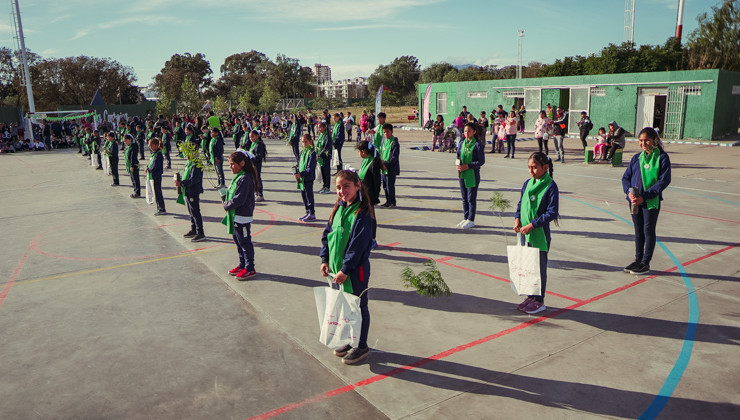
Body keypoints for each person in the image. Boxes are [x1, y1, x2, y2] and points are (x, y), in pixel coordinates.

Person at [319, 169, 375, 365]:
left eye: (346, 186)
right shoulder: (339, 208)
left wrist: (345, 269)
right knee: (345, 308)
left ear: (357, 186)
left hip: (354, 272)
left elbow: (357, 246)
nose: (342, 191)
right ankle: (351, 342)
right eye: (338, 187)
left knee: (358, 307)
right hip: (337, 271)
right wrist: (324, 259)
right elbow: (327, 235)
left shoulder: (362, 212)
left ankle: (361, 346)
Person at [513, 152, 560, 315]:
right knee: (528, 267)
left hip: (539, 235)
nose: (531, 171)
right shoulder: (527, 183)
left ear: (545, 167)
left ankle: (539, 300)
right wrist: (517, 218)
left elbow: (552, 212)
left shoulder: (550, 186)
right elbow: (521, 203)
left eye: (534, 167)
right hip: (525, 233)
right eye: (529, 168)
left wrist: (533, 224)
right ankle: (531, 296)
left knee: (538, 268)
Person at [621, 127, 671, 275]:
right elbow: (625, 178)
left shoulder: (662, 157)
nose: (643, 143)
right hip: (635, 201)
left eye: (646, 140)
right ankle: (637, 260)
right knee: (638, 232)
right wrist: (629, 192)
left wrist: (647, 195)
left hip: (650, 201)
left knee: (648, 230)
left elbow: (663, 181)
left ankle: (645, 262)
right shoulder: (636, 158)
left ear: (654, 140)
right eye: (641, 141)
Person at [223, 151, 259, 280]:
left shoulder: (245, 178)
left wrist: (227, 205)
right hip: (235, 215)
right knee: (238, 241)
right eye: (230, 164)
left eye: (232, 164)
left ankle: (250, 268)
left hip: (242, 215)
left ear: (242, 163)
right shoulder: (238, 176)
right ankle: (242, 263)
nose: (230, 167)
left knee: (245, 242)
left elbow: (239, 199)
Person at [456, 122, 485, 230]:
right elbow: (458, 155)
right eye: (465, 131)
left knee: (471, 198)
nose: (466, 133)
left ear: (474, 132)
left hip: (472, 174)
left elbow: (481, 161)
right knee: (464, 198)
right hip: (462, 173)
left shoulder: (477, 144)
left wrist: (468, 166)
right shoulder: (462, 143)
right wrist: (458, 164)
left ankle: (471, 219)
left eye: (469, 131)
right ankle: (466, 217)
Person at [176, 144, 206, 242]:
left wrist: (182, 183)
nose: (186, 155)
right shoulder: (189, 162)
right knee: (191, 211)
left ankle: (200, 232)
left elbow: (194, 179)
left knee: (195, 211)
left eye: (188, 153)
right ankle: (193, 229)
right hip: (188, 190)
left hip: (193, 190)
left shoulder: (196, 163)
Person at [295, 133, 317, 222]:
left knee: (309, 196)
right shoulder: (302, 152)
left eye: (306, 142)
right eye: (302, 142)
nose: (304, 144)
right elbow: (299, 163)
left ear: (310, 141)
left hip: (308, 177)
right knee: (303, 196)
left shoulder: (312, 152)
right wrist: (296, 171)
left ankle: (312, 213)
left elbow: (310, 167)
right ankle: (307, 211)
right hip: (301, 178)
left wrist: (302, 174)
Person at [379, 123, 400, 208]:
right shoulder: (384, 141)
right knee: (384, 186)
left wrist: (386, 165)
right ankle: (388, 201)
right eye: (384, 132)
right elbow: (382, 153)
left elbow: (394, 157)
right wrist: (381, 163)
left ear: (391, 131)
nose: (386, 134)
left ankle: (392, 202)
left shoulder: (394, 142)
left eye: (387, 132)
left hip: (390, 168)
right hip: (383, 168)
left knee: (390, 186)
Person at [145, 138, 167, 216]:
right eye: (150, 145)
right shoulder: (154, 153)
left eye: (152, 145)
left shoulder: (159, 154)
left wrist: (150, 170)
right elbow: (151, 163)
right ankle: (159, 208)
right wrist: (148, 167)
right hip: (153, 176)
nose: (150, 147)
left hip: (156, 176)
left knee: (158, 193)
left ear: (156, 145)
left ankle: (162, 208)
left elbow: (155, 166)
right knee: (156, 192)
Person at [245, 130, 267, 202]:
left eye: (253, 137)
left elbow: (259, 156)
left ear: (257, 136)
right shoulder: (253, 143)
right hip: (252, 164)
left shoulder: (259, 144)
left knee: (257, 179)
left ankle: (260, 194)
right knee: (253, 179)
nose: (251, 139)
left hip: (256, 164)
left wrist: (251, 158)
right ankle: (255, 193)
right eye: (250, 137)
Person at [315, 122, 333, 194]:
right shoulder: (321, 135)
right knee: (323, 172)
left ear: (324, 127)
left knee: (326, 172)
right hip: (320, 157)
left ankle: (327, 187)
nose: (319, 129)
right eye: (318, 127)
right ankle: (324, 185)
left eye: (320, 127)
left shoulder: (327, 136)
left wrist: (319, 155)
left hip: (325, 156)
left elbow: (326, 148)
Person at [123, 134, 141, 198]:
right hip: (130, 165)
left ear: (130, 139)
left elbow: (132, 158)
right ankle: (135, 191)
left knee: (135, 179)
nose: (125, 142)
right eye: (124, 141)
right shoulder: (128, 147)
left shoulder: (133, 147)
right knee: (133, 179)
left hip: (134, 165)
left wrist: (132, 166)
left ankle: (137, 192)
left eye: (126, 141)